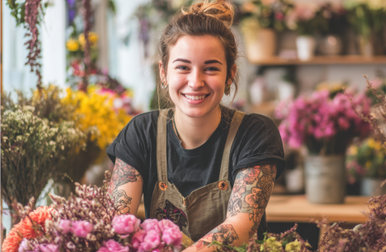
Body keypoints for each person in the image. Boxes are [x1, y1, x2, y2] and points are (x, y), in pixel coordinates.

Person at [106, 1, 285, 250]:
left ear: (230, 74)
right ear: (163, 72)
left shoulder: (254, 134)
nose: (195, 81)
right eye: (183, 67)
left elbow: (241, 225)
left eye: (210, 68)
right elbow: (116, 221)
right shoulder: (141, 133)